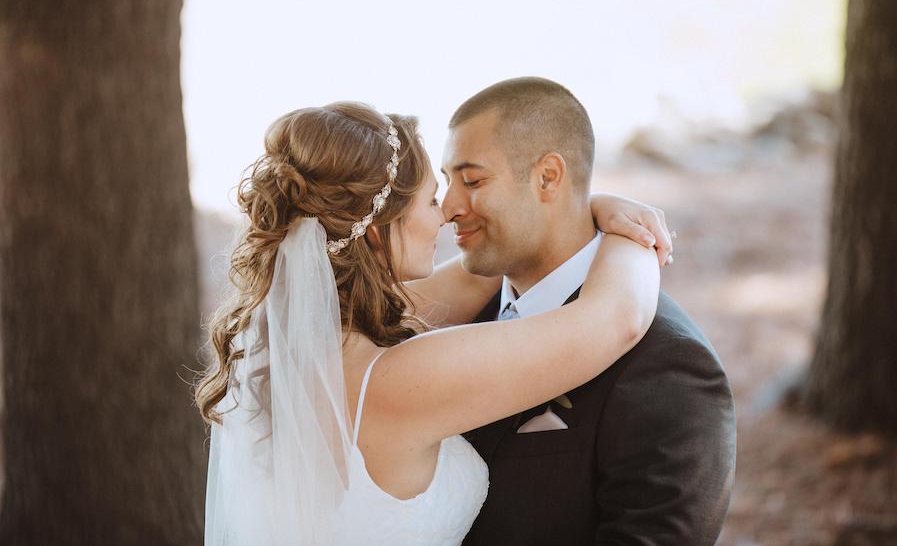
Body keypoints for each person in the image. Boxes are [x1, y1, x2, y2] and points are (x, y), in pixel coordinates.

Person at [195, 101, 671, 545]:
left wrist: (578, 207)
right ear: (380, 229)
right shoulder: (392, 382)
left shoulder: (285, 338)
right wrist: (638, 237)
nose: (444, 215)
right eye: (429, 201)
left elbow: (469, 281)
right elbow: (617, 319)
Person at [439, 77, 737, 546]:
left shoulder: (667, 363)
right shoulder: (447, 318)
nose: (448, 207)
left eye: (472, 180)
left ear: (549, 177)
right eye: (446, 182)